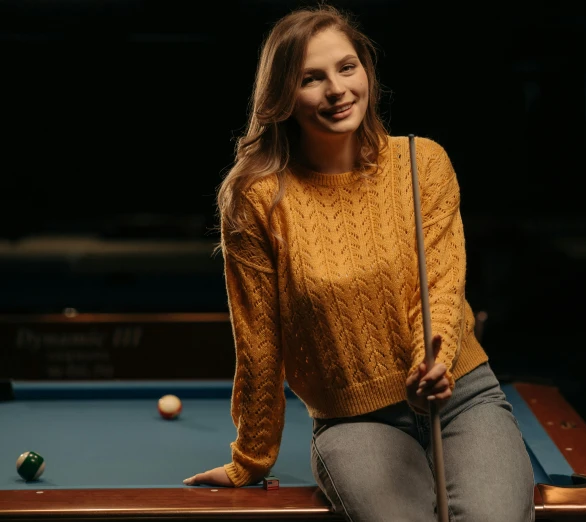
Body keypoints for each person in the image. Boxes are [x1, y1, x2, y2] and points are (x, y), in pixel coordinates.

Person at [183, 4, 535, 521]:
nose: (337, 89)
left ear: (365, 70)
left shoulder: (423, 162)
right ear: (283, 96)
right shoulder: (256, 198)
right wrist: (250, 460)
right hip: (354, 421)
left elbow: (436, 284)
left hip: (458, 396)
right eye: (311, 78)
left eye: (347, 68)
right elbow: (259, 341)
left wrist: (431, 362)